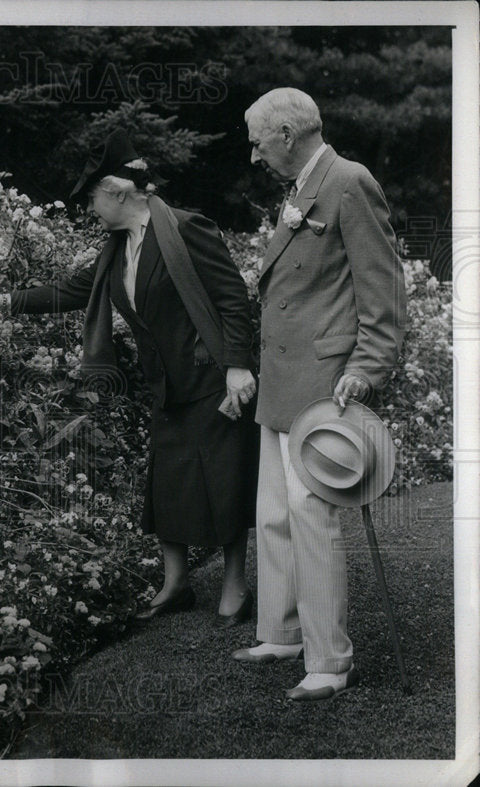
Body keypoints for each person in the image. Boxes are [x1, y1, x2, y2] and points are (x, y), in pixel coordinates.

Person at [0, 129, 259, 624]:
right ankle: (176, 584)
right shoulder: (115, 250)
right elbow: (70, 290)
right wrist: (4, 302)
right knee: (166, 482)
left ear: (116, 192)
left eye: (92, 198)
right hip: (166, 385)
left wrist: (237, 366)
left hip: (211, 378)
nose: (90, 209)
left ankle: (235, 584)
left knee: (223, 480)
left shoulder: (188, 229)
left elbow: (234, 299)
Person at [232, 87, 406, 700]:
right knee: (274, 513)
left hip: (326, 383)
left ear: (285, 134)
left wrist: (369, 366)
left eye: (257, 141)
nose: (253, 155)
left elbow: (382, 293)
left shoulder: (348, 181)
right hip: (283, 379)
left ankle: (330, 662)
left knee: (311, 518)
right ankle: (281, 632)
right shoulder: (302, 187)